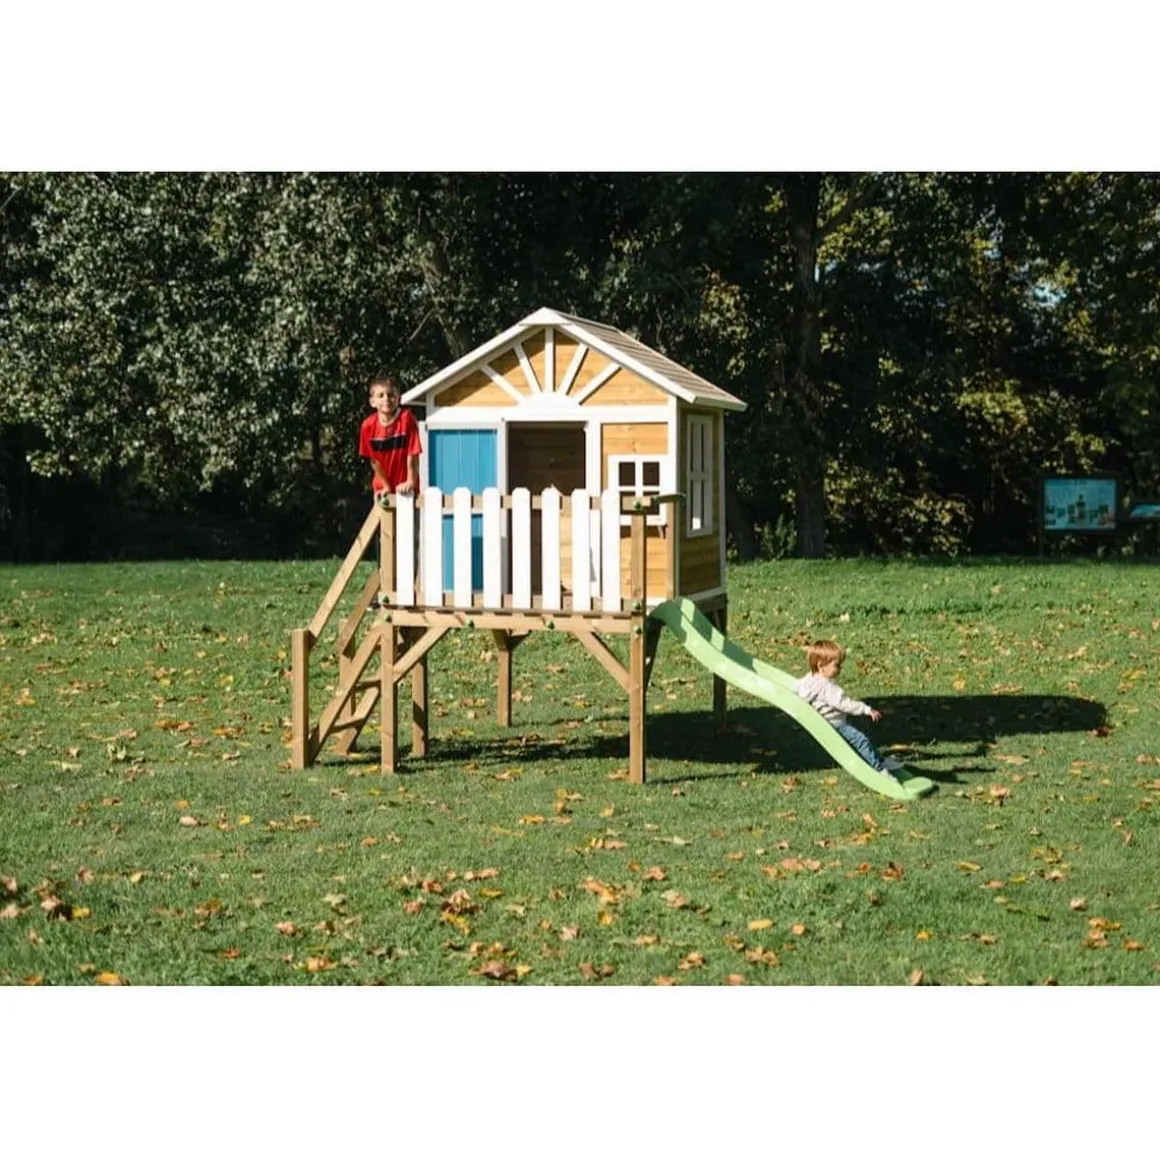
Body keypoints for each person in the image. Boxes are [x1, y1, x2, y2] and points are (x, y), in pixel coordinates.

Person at [794, 640, 904, 777]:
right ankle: (879, 769)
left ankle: (879, 760)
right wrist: (865, 709)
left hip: (827, 722)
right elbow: (845, 704)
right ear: (821, 665)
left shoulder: (809, 679)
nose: (840, 669)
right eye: (837, 665)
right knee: (861, 741)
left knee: (862, 738)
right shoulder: (827, 688)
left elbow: (797, 686)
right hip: (836, 724)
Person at [358, 373, 421, 499]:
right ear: (372, 401)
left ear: (399, 398)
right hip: (382, 488)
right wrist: (386, 485)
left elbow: (413, 453)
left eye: (391, 395)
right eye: (381, 395)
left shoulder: (407, 419)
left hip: (407, 488)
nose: (386, 399)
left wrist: (410, 481)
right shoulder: (367, 426)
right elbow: (374, 460)